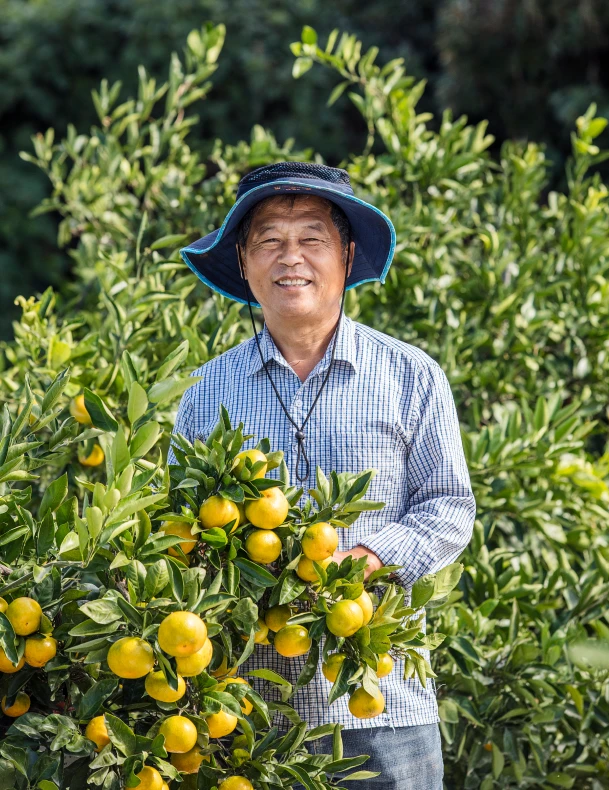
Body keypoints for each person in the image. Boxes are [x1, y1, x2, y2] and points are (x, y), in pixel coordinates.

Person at [167, 162, 476, 788]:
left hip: (381, 701)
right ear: (245, 263)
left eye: (311, 238)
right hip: (248, 707)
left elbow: (449, 507)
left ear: (347, 254)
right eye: (270, 242)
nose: (292, 258)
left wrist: (367, 556)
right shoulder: (205, 392)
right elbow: (178, 529)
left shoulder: (410, 376)